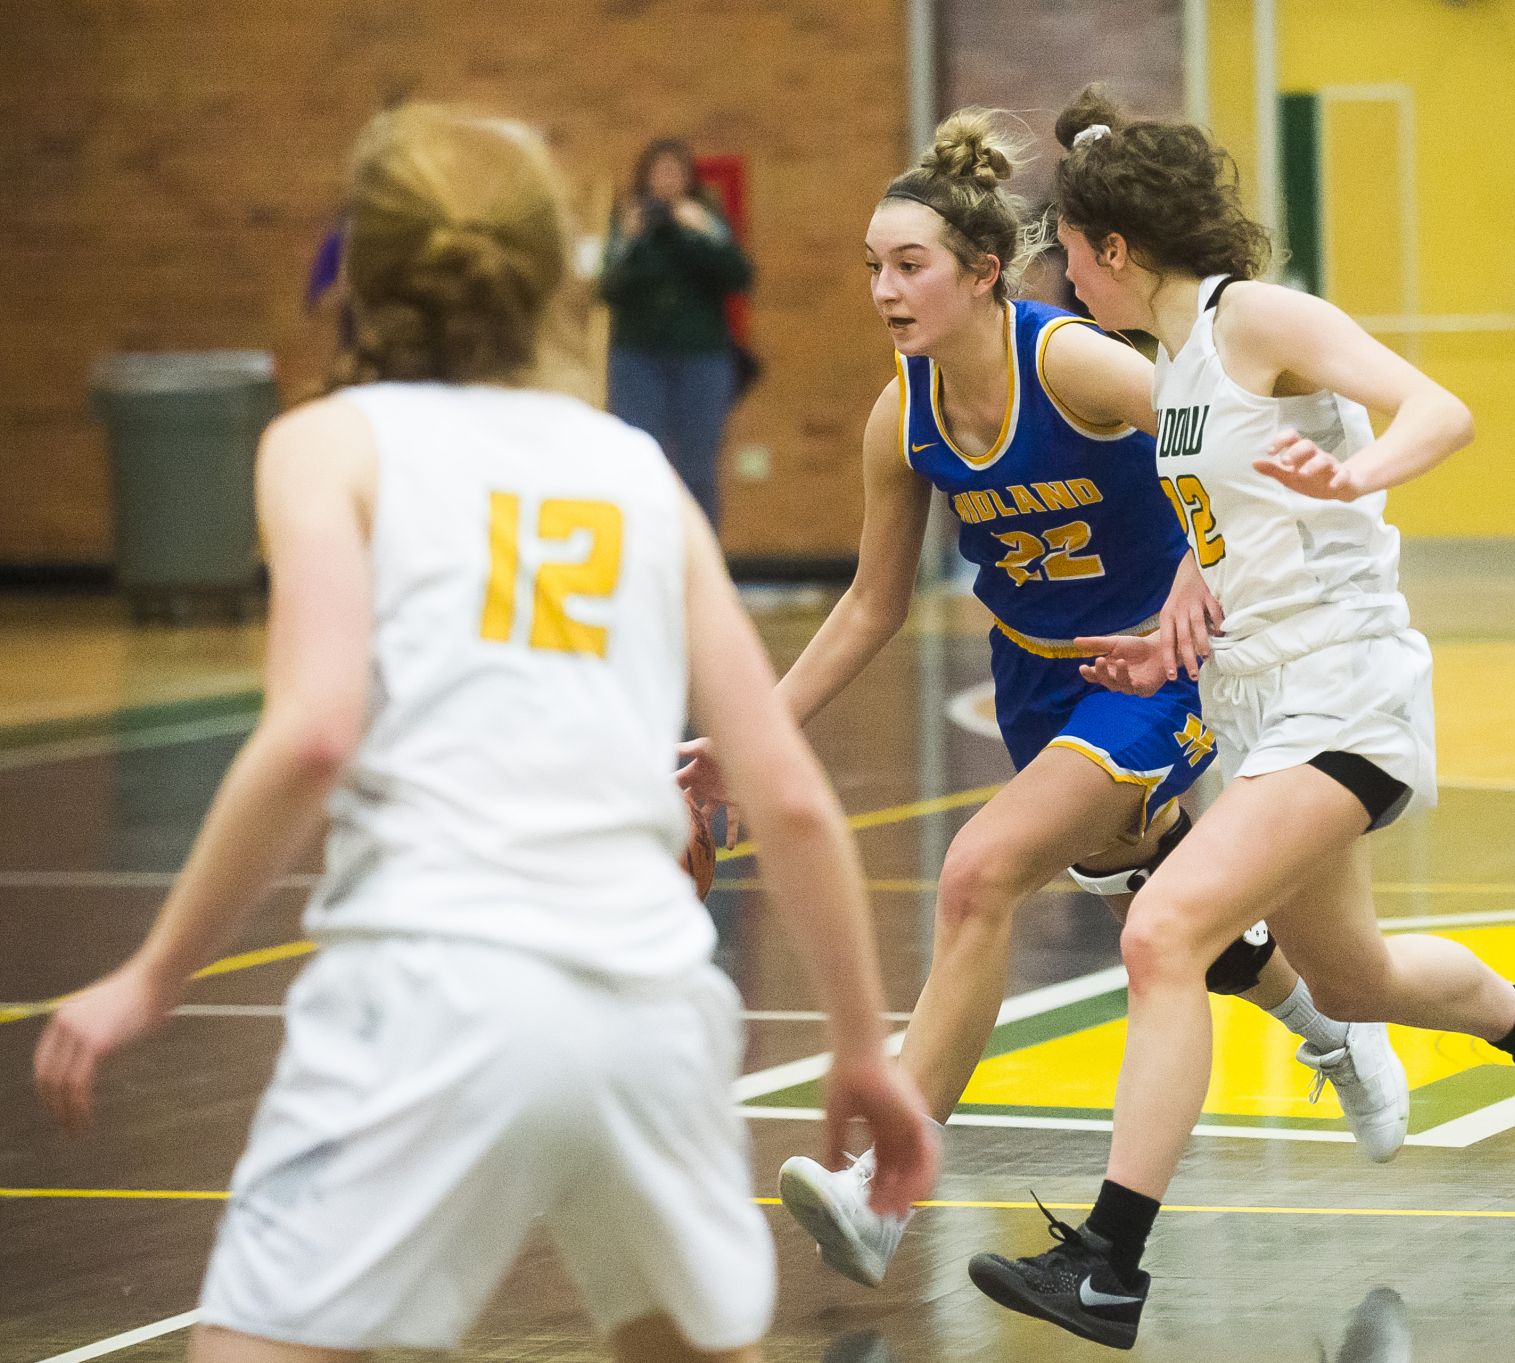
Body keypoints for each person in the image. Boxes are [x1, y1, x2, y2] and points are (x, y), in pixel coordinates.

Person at [31, 105, 936, 1363]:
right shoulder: (632, 467)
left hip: (429, 991)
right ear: (549, 273)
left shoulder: (324, 445)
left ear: (360, 270)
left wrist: (152, 974)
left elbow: (310, 736)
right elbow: (779, 793)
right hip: (645, 1002)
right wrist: (856, 1044)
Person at [676, 109, 1408, 1292]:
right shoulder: (898, 414)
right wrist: (743, 737)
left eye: (907, 265)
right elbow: (871, 605)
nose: (883, 290)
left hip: (1158, 664)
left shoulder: (1071, 360)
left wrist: (1195, 581)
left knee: (980, 871)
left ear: (981, 273)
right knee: (1153, 879)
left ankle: (884, 1187)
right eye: (870, 266)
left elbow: (1210, 435)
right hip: (1037, 679)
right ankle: (1330, 1030)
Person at [964, 86, 1515, 1350]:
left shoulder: (1250, 318)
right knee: (1352, 976)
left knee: (1162, 930)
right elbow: (1221, 528)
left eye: (1065, 255)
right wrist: (1173, 619)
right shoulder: (1168, 371)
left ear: (1112, 252)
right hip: (1255, 693)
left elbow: (1439, 409)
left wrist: (1356, 470)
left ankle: (1107, 1264)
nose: (1060, 278)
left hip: (1345, 686)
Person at [602, 136, 754, 529]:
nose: (667, 181)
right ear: (645, 176)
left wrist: (704, 233)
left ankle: (700, 567)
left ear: (689, 178)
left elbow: (739, 276)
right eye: (659, 171)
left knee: (697, 469)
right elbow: (606, 288)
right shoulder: (628, 220)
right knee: (638, 461)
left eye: (675, 171)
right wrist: (631, 240)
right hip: (638, 357)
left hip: (701, 357)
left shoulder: (704, 219)